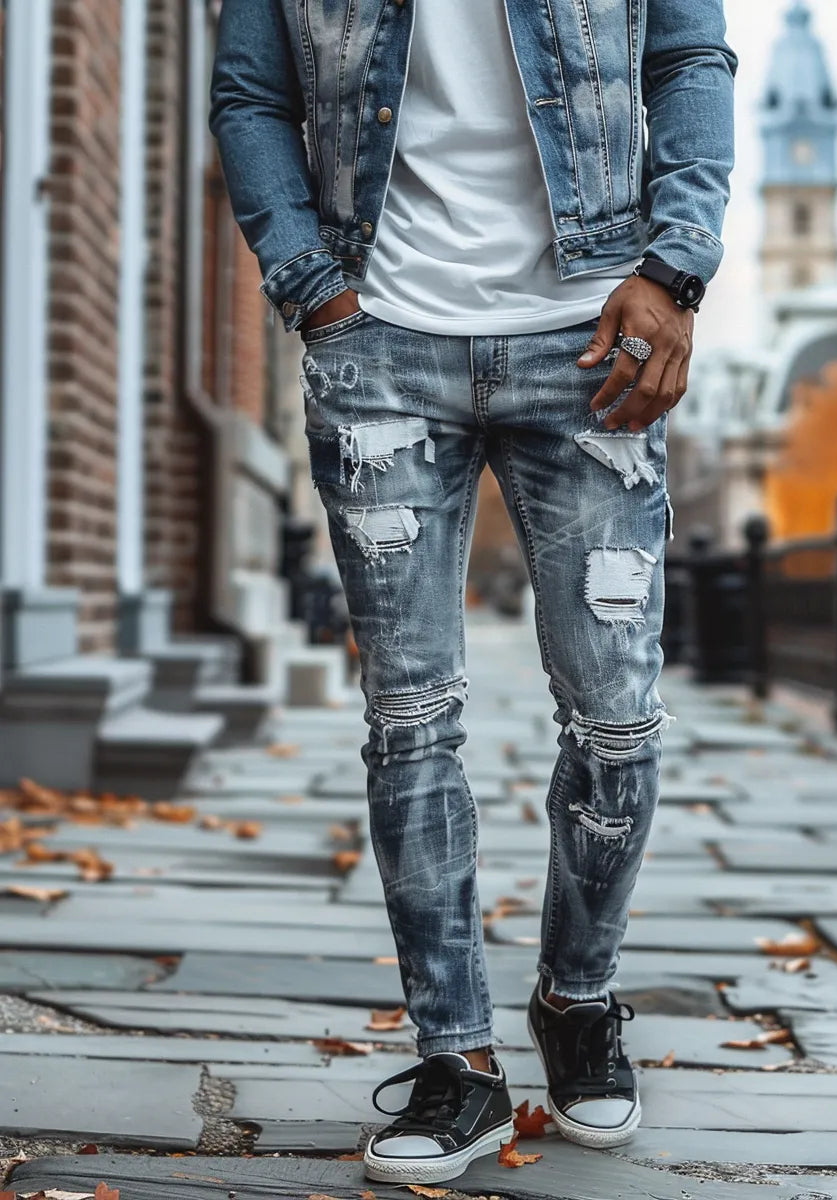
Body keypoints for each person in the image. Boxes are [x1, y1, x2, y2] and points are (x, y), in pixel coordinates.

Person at [211, 0, 736, 1184]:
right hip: (381, 337)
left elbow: (689, 56)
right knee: (410, 717)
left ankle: (577, 998)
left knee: (615, 715)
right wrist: (311, 286)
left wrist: (675, 269)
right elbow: (250, 93)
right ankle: (457, 1060)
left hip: (591, 336)